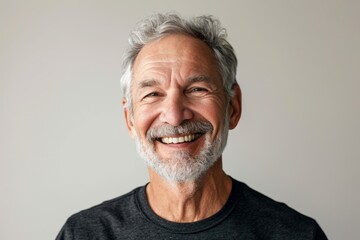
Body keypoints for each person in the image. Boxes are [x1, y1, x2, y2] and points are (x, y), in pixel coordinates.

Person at [56, 12, 327, 239]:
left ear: (232, 107)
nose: (174, 116)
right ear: (129, 119)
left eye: (197, 89)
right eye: (152, 94)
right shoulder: (84, 234)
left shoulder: (296, 234)